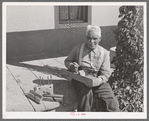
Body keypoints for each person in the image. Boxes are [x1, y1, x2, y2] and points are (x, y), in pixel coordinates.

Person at [64, 25, 120, 112]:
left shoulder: (104, 53)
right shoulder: (78, 49)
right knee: (86, 95)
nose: (91, 41)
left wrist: (96, 82)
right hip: (81, 79)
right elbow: (67, 61)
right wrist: (71, 66)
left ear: (100, 38)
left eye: (95, 39)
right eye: (89, 38)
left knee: (112, 102)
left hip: (97, 79)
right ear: (86, 38)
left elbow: (105, 74)